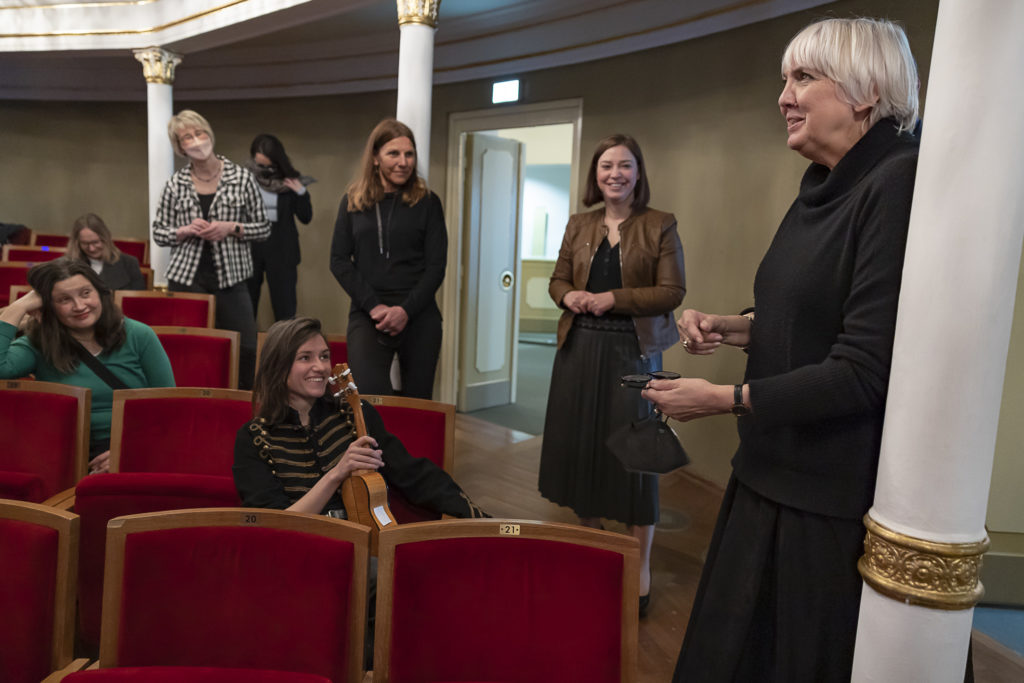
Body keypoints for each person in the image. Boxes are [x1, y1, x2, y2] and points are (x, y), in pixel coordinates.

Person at [640, 18, 926, 682]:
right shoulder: (820, 188)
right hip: (768, 474)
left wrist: (723, 399)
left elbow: (862, 369)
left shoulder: (897, 182)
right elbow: (807, 317)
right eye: (783, 80)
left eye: (802, 78)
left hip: (819, 506)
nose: (783, 97)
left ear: (866, 92)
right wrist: (736, 326)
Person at [538, 134, 686, 617]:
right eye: (606, 166)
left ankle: (638, 567)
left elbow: (671, 292)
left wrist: (612, 299)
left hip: (633, 353)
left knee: (635, 457)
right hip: (579, 349)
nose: (615, 174)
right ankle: (594, 545)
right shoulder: (578, 223)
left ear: (638, 173)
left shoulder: (660, 224)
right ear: (594, 175)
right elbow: (557, 279)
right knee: (581, 448)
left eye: (625, 165)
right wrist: (569, 297)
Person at [233, 316, 486, 518]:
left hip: (364, 546)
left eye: (324, 356)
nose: (321, 367)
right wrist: (337, 474)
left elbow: (414, 475)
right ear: (278, 367)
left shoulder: (354, 414)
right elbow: (274, 525)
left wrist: (479, 518)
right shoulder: (255, 438)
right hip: (299, 556)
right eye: (305, 358)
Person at [0, 259, 175, 473]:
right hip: (63, 452)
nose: (80, 306)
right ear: (48, 306)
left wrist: (128, 450)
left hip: (137, 446)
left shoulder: (139, 334)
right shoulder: (39, 342)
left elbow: (170, 407)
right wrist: (17, 308)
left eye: (85, 293)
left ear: (101, 292)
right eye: (64, 299)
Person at [152, 110, 270, 390]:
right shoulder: (175, 184)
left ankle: (244, 403)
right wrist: (183, 231)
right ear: (180, 147)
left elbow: (263, 228)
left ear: (209, 135)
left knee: (247, 347)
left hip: (231, 278)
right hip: (187, 278)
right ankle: (191, 399)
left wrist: (231, 227)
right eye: (187, 137)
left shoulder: (241, 177)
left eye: (199, 133)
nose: (195, 140)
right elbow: (159, 232)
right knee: (191, 348)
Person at [329, 118, 447, 399]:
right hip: (368, 313)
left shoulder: (429, 203)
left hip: (419, 315)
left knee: (417, 402)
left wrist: (404, 311)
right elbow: (339, 260)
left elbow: (436, 266)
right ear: (375, 158)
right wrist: (374, 306)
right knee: (369, 398)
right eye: (393, 153)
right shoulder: (352, 201)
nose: (403, 161)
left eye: (409, 154)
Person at [246, 134, 313, 321]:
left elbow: (306, 217)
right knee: (247, 303)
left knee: (285, 306)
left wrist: (301, 193)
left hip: (282, 247)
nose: (265, 170)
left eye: (269, 166)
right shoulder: (244, 179)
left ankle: (285, 347)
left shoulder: (290, 181)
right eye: (260, 165)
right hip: (251, 246)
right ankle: (245, 348)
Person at [67, 213, 146, 291]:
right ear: (76, 243)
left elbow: (138, 302)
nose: (91, 249)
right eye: (85, 243)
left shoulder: (129, 264)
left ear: (106, 238)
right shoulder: (66, 266)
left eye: (95, 242)